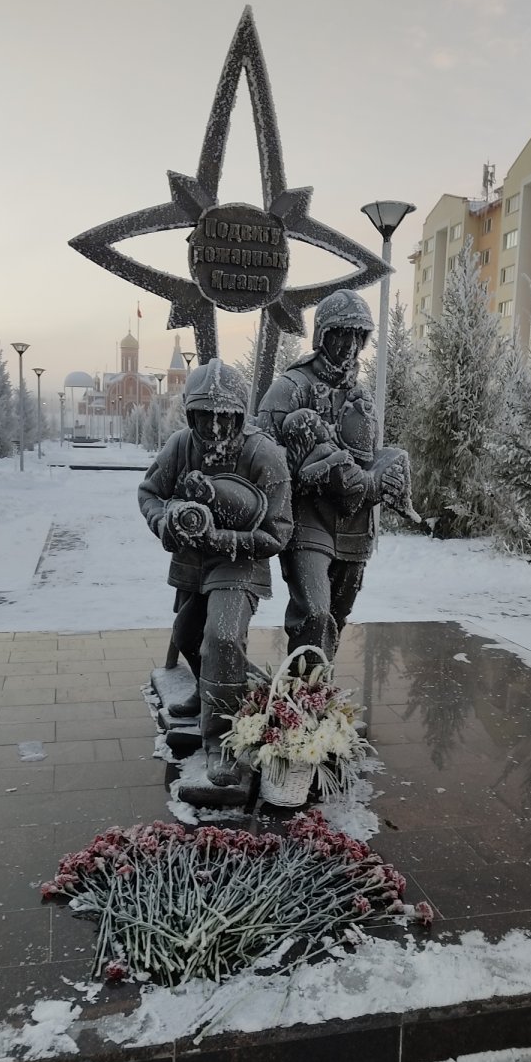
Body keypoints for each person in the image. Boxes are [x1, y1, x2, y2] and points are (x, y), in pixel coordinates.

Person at [139, 359, 292, 787]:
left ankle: (222, 741)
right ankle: (213, 688)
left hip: (241, 562)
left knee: (222, 638)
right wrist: (166, 520)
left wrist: (221, 539)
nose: (215, 426)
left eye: (226, 416)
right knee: (188, 636)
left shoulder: (264, 455)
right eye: (205, 415)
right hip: (193, 561)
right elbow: (150, 492)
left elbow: (278, 532)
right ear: (191, 414)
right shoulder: (180, 445)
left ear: (241, 415)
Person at [258, 289, 410, 662]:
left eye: (358, 336)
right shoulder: (290, 388)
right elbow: (262, 457)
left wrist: (385, 479)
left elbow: (369, 455)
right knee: (315, 614)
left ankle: (317, 685)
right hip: (308, 519)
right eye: (341, 334)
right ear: (322, 335)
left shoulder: (361, 394)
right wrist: (308, 468)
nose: (350, 345)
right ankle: (301, 691)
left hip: (355, 524)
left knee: (337, 618)